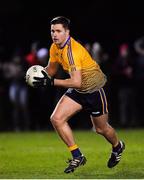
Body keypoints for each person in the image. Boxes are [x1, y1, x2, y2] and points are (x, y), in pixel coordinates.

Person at [31, 16, 125, 173]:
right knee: (56, 119)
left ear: (67, 32)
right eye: (52, 31)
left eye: (58, 31)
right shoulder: (54, 47)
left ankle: (118, 146)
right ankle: (77, 155)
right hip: (78, 90)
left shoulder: (73, 51)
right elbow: (51, 71)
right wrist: (37, 75)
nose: (54, 34)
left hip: (93, 90)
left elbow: (76, 82)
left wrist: (51, 82)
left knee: (101, 129)